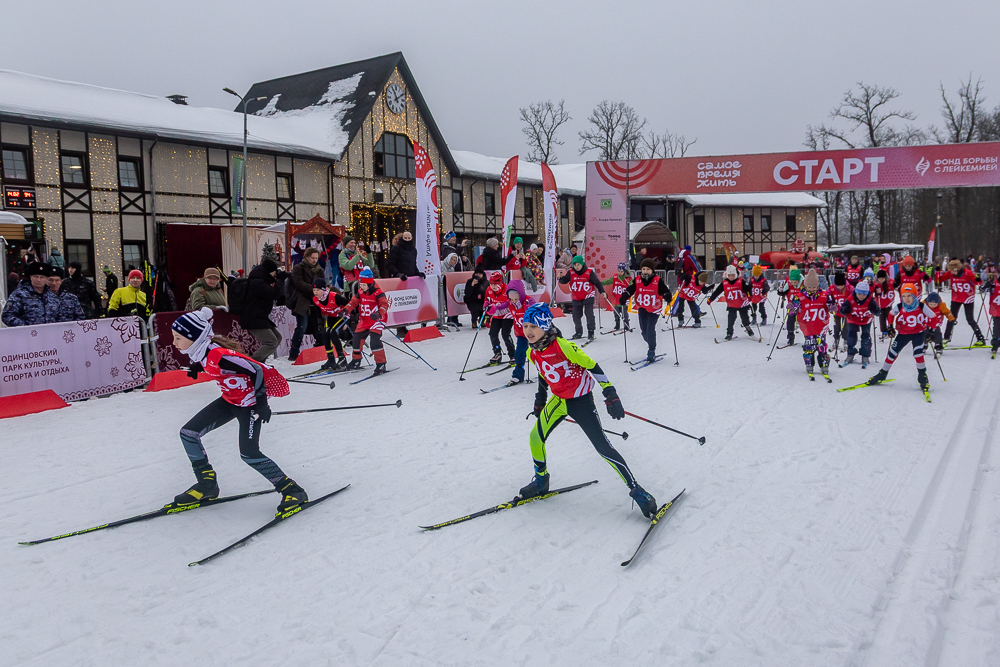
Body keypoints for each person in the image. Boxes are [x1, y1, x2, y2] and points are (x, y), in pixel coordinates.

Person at [517, 303, 658, 517]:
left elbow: (592, 366)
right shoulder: (532, 351)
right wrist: (540, 399)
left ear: (545, 326)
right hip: (559, 400)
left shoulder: (563, 346)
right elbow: (544, 373)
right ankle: (541, 480)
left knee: (603, 448)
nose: (528, 331)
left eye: (533, 326)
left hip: (581, 401)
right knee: (535, 438)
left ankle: (638, 491)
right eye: (525, 325)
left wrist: (610, 392)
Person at [169, 307, 306, 515]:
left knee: (249, 454)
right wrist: (198, 366)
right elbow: (213, 363)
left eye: (178, 338)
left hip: (250, 405)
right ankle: (207, 485)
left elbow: (256, 370)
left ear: (195, 337)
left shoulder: (218, 354)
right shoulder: (202, 350)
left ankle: (292, 490)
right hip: (230, 400)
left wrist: (261, 403)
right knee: (188, 433)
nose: (174, 342)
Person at [868, 284, 934, 392]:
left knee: (918, 354)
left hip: (918, 333)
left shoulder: (921, 306)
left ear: (915, 296)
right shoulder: (900, 306)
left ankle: (922, 376)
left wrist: (932, 331)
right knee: (892, 353)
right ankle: (882, 374)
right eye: (904, 296)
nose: (906, 299)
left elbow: (933, 317)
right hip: (903, 333)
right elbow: (891, 314)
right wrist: (890, 327)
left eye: (909, 296)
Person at [619, 258, 672, 361]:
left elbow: (664, 290)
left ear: (652, 270)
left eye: (648, 269)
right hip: (642, 308)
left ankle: (651, 350)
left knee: (650, 329)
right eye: (643, 269)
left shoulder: (657, 280)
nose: (645, 271)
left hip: (654, 309)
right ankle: (651, 342)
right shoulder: (637, 279)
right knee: (644, 332)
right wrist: (625, 296)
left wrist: (667, 295)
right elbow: (630, 289)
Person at [339, 268, 389, 374]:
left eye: (364, 285)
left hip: (377, 320)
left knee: (374, 342)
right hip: (364, 320)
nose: (361, 287)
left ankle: (381, 363)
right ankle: (356, 361)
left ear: (370, 284)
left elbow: (384, 305)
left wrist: (379, 313)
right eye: (360, 284)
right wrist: (345, 310)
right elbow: (353, 303)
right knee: (356, 339)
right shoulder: (360, 292)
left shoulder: (378, 293)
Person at [789, 269, 833, 380]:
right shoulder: (799, 296)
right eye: (809, 287)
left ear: (818, 286)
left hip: (821, 326)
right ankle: (809, 364)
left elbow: (830, 305)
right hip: (807, 326)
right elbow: (794, 308)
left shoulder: (824, 295)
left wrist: (832, 307)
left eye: (814, 287)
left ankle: (824, 365)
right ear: (805, 285)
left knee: (822, 347)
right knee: (809, 346)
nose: (812, 289)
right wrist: (792, 309)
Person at [242, 258, 284, 363]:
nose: (275, 275)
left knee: (277, 338)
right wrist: (280, 280)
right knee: (271, 342)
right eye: (274, 272)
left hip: (260, 317)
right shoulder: (257, 282)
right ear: (269, 271)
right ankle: (253, 363)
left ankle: (261, 363)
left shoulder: (260, 280)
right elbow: (274, 294)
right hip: (253, 318)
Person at [559, 254, 605, 341]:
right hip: (576, 296)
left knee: (589, 314)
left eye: (578, 265)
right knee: (576, 315)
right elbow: (564, 281)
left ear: (582, 264)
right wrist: (560, 278)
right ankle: (578, 332)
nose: (576, 267)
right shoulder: (571, 272)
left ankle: (591, 332)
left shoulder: (589, 272)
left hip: (588, 296)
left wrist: (602, 291)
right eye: (575, 265)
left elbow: (597, 283)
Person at [288, 247, 323, 361]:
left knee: (318, 327)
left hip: (316, 302)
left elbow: (323, 283)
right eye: (312, 258)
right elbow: (298, 283)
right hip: (302, 302)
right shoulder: (299, 268)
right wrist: (314, 289)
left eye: (316, 258)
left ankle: (320, 349)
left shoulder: (319, 270)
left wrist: (322, 290)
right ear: (307, 257)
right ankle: (294, 353)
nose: (314, 260)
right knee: (301, 327)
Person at [940, 259, 985, 346]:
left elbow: (978, 282)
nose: (953, 273)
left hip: (968, 298)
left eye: (954, 271)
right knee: (951, 318)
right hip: (956, 298)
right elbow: (940, 279)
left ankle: (980, 338)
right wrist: (938, 274)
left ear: (959, 269)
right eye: (951, 271)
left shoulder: (968, 273)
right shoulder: (950, 273)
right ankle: (946, 337)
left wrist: (977, 279)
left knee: (970, 319)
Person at [1, 262, 59, 326]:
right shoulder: (19, 294)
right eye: (36, 277)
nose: (38, 280)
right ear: (31, 277)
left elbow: (60, 317)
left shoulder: (52, 297)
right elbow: (7, 316)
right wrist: (26, 327)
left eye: (42, 277)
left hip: (50, 331)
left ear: (47, 279)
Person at [839, 280, 879, 367]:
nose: (861, 296)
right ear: (856, 292)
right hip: (853, 319)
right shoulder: (850, 298)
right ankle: (850, 353)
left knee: (866, 336)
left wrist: (876, 310)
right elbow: (842, 310)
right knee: (851, 336)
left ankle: (865, 355)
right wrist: (845, 310)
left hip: (866, 319)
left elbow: (876, 309)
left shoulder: (870, 299)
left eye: (864, 294)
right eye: (859, 294)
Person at [708, 264, 754, 341]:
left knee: (745, 318)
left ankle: (748, 329)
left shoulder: (741, 281)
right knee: (731, 319)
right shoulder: (724, 283)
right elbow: (717, 292)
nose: (731, 277)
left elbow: (747, 289)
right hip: (731, 304)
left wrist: (749, 295)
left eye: (733, 275)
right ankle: (729, 333)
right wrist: (711, 299)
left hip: (742, 304)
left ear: (736, 274)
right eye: (729, 275)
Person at [312, 277, 348, 371]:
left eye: (318, 290)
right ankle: (331, 359)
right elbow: (318, 312)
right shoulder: (316, 299)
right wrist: (320, 324)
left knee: (333, 333)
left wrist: (345, 311)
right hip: (331, 317)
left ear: (323, 289)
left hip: (341, 317)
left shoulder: (334, 296)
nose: (315, 292)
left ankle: (342, 358)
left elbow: (349, 303)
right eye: (314, 290)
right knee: (325, 334)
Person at [505, 279, 535, 385]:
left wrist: (529, 309)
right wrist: (491, 308)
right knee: (519, 353)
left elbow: (537, 310)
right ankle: (518, 375)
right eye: (511, 299)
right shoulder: (510, 303)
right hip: (522, 333)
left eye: (516, 299)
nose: (513, 301)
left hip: (535, 333)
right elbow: (500, 307)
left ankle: (549, 370)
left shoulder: (528, 300)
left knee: (540, 352)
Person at [485, 271, 516, 364]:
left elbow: (511, 304)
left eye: (495, 284)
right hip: (497, 315)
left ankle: (513, 355)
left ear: (501, 283)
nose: (493, 286)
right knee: (492, 333)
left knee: (505, 334)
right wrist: (487, 314)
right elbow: (487, 302)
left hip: (507, 315)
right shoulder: (489, 290)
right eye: (491, 284)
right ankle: (497, 353)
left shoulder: (507, 290)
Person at [776, 268, 802, 345]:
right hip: (791, 307)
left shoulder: (802, 285)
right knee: (790, 322)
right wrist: (780, 290)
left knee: (804, 322)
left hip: (801, 308)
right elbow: (782, 293)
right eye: (792, 282)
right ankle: (790, 338)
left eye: (795, 282)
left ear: (799, 281)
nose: (793, 283)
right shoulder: (788, 285)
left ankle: (808, 338)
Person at [828, 272, 852, 354]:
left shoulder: (849, 288)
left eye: (842, 285)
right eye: (838, 285)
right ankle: (836, 340)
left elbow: (853, 297)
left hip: (846, 312)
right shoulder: (832, 288)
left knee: (846, 327)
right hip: (837, 311)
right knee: (836, 326)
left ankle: (845, 340)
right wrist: (831, 304)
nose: (840, 287)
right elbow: (825, 296)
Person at [873, 269, 895, 339]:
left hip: (888, 303)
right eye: (879, 278)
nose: (881, 280)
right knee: (881, 318)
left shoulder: (890, 282)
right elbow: (872, 291)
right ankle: (884, 331)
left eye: (882, 278)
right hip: (880, 304)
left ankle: (890, 329)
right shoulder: (876, 284)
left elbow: (896, 286)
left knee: (889, 316)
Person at [610, 263, 632, 331]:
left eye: (621, 271)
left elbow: (633, 287)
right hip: (617, 300)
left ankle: (626, 325)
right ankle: (617, 324)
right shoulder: (615, 277)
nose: (620, 273)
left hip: (624, 300)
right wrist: (599, 284)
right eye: (618, 271)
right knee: (616, 313)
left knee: (624, 314)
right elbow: (608, 281)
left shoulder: (628, 279)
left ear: (624, 271)